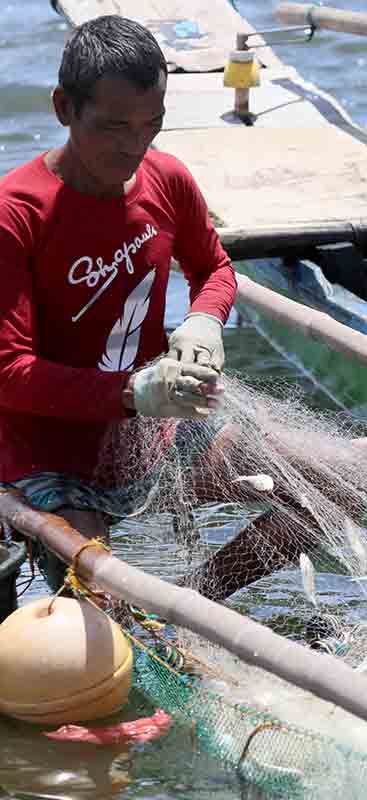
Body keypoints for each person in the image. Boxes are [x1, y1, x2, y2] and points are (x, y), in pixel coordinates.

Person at [0, 15, 291, 602]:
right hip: (50, 458)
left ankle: (193, 604)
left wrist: (205, 319)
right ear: (63, 108)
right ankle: (141, 621)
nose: (134, 145)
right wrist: (133, 393)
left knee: (320, 494)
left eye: (150, 125)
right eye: (112, 127)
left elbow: (214, 269)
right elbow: (9, 372)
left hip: (151, 433)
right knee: (103, 597)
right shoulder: (17, 213)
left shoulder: (167, 179)